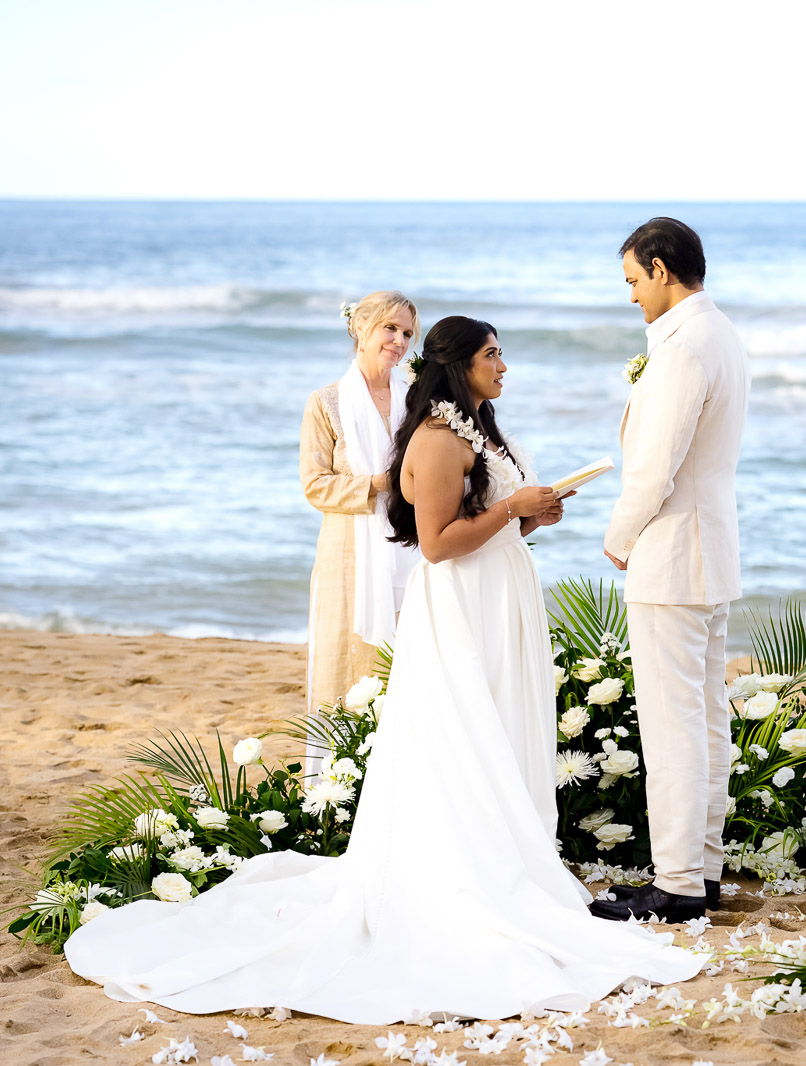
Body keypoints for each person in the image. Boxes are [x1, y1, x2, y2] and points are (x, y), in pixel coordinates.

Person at [64, 316, 702, 1022]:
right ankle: (469, 876)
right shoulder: (433, 440)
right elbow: (436, 544)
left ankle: (516, 865)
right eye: (493, 355)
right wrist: (512, 509)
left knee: (506, 725)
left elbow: (487, 522)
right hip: (461, 611)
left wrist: (532, 516)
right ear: (459, 365)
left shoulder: (481, 431)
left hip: (501, 599)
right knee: (467, 736)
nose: (505, 365)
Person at [591, 218, 750, 924]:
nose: (630, 297)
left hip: (672, 553)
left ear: (660, 269)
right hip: (710, 550)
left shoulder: (684, 350)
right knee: (706, 719)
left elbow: (654, 467)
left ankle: (680, 882)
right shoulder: (723, 335)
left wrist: (618, 535)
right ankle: (702, 871)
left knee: (672, 723)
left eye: (631, 280)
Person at [299, 292, 423, 775]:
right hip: (347, 552)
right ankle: (337, 782)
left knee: (403, 663)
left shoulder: (416, 398)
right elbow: (315, 485)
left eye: (408, 333)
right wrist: (378, 484)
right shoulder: (326, 402)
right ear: (361, 329)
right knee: (344, 660)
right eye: (390, 329)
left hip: (410, 546)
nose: (399, 341)